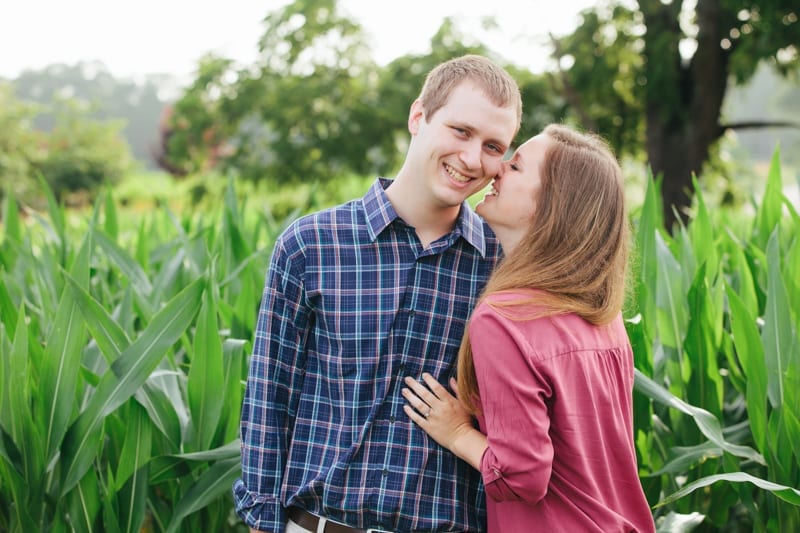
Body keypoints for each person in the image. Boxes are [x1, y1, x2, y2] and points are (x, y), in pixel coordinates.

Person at [233, 54, 522, 533]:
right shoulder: (311, 245)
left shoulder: (504, 268)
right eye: (460, 131)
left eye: (494, 146)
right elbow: (269, 399)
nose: (472, 159)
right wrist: (264, 524)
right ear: (418, 116)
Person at [402, 124, 656, 532]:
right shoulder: (603, 317)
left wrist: (457, 434)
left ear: (552, 204)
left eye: (516, 166)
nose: (498, 169)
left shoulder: (504, 319)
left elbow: (522, 476)